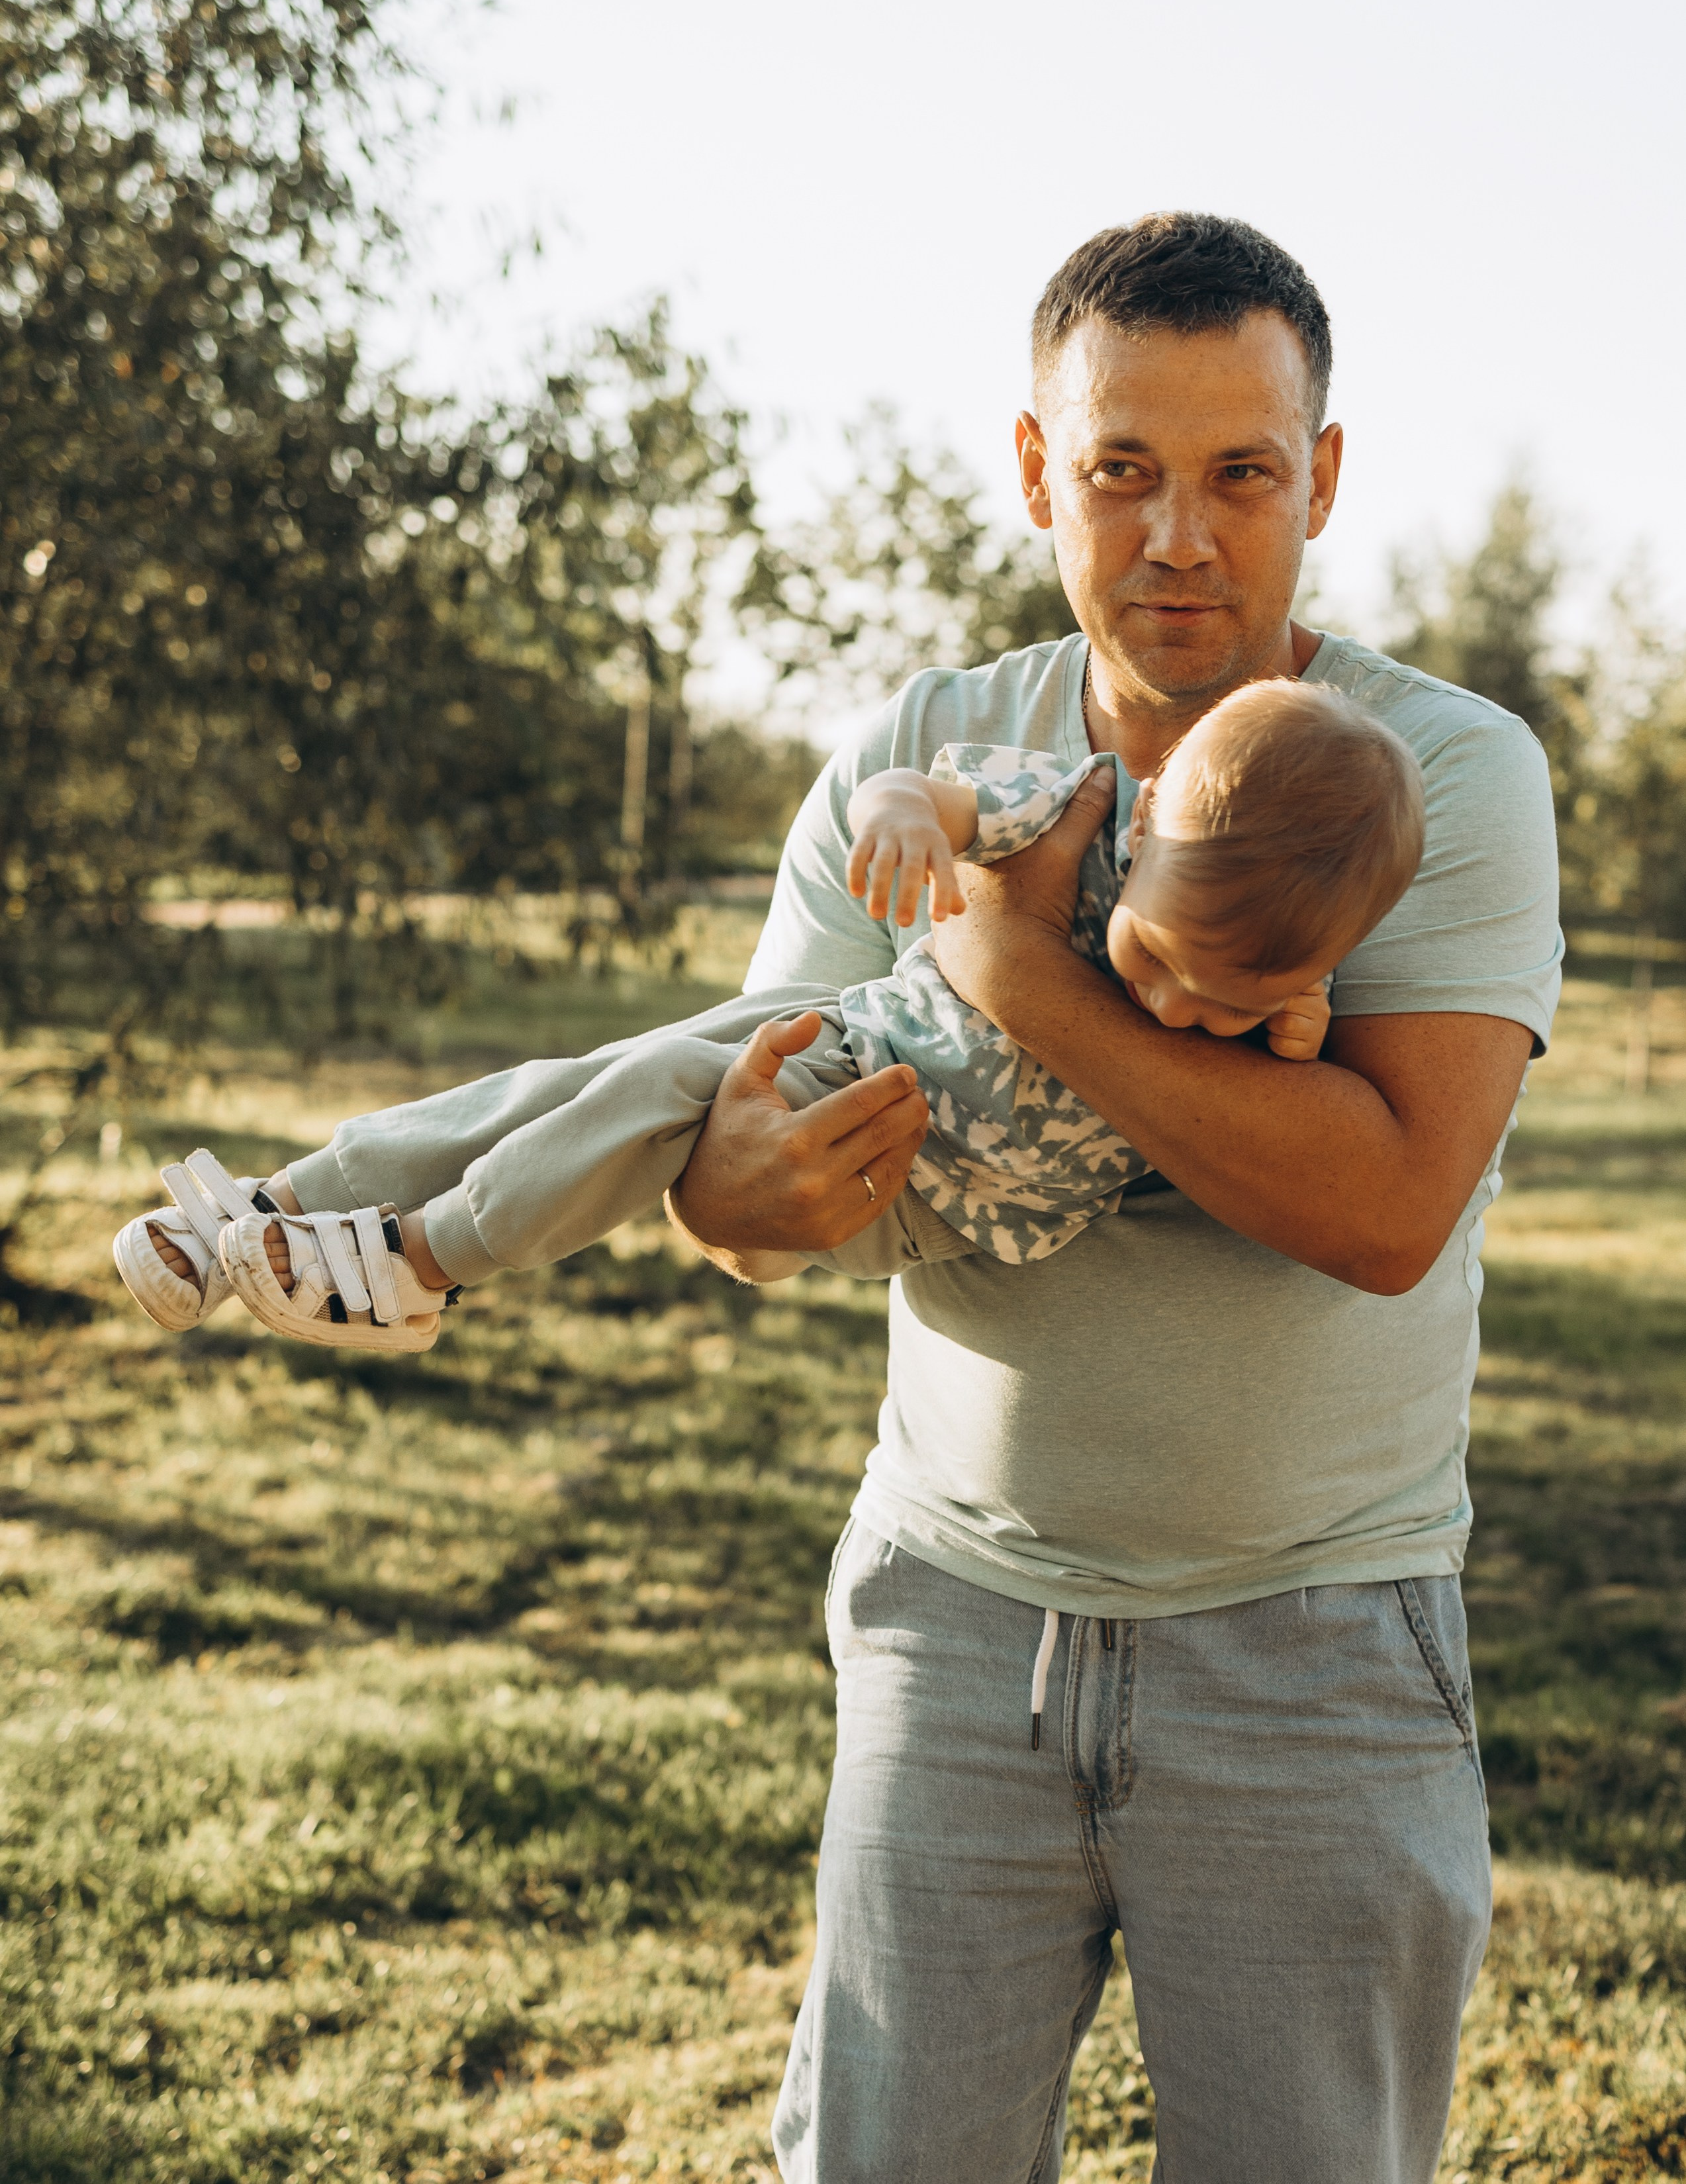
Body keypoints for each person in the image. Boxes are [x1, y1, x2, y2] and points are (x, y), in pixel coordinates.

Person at [656, 214, 1562, 2184]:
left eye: (1240, 473)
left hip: (1317, 1643)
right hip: (950, 1623)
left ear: (1320, 477)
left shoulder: (1435, 774)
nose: (1178, 537)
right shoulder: (910, 761)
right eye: (1119, 469)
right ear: (1033, 469)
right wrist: (726, 1190)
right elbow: (745, 1169)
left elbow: (1383, 1201)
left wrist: (1015, 973)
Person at [114, 676, 1423, 1358]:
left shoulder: (1278, 964)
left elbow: (1289, 1086)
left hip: (919, 1178)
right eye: (1158, 955)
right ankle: (284, 1205)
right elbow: (928, 797)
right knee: (609, 1067)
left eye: (1223, 1002)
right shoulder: (1082, 799)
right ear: (1146, 833)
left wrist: (1286, 1022)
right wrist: (902, 813)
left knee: (658, 1085)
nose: (1173, 1005)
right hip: (866, 1037)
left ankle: (420, 1264)